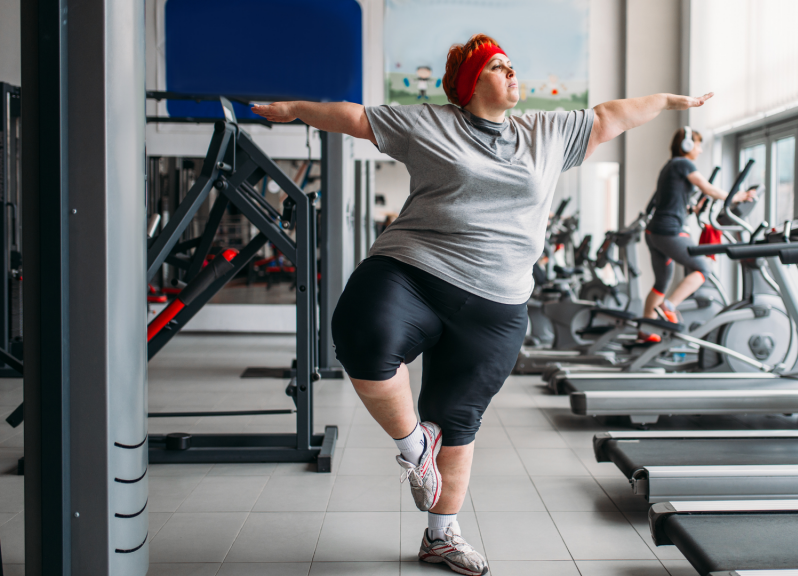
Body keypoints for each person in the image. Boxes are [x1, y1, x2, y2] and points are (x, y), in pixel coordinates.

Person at [253, 33, 715, 576]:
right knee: (362, 333)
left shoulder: (547, 131)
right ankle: (413, 447)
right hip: (414, 270)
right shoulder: (428, 124)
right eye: (498, 67)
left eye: (512, 65)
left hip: (497, 301)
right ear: (472, 82)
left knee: (457, 420)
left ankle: (441, 538)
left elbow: (612, 115)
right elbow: (353, 117)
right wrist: (289, 110)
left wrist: (669, 102)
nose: (512, 73)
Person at [640, 127, 755, 341]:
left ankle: (645, 332)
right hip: (669, 232)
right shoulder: (683, 163)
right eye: (698, 144)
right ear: (686, 145)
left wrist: (692, 208)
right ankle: (669, 306)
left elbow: (673, 200)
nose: (700, 150)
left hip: (655, 231)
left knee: (661, 283)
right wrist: (739, 196)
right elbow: (708, 188)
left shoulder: (669, 166)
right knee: (704, 268)